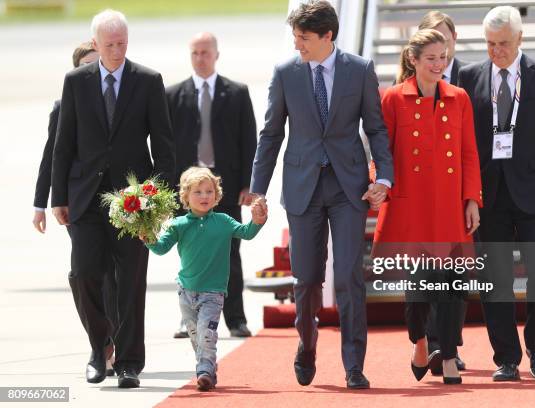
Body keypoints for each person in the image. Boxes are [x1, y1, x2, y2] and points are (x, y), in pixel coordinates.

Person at [250, 0, 394, 389]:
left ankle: (354, 365)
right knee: (307, 279)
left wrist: (385, 178)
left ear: (328, 36)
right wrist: (257, 189)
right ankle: (307, 344)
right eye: (295, 36)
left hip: (349, 187)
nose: (297, 44)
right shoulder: (285, 73)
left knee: (349, 276)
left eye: (304, 37)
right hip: (302, 188)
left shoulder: (359, 69)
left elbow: (377, 129)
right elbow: (271, 134)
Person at [51, 9, 175, 388]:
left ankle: (129, 363)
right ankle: (99, 346)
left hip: (134, 202)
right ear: (95, 45)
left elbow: (165, 145)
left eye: (122, 43)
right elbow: (64, 143)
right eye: (109, 45)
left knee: (130, 283)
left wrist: (155, 199)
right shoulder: (75, 81)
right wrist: (58, 196)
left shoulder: (148, 80)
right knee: (84, 273)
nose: (117, 51)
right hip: (86, 199)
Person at [458, 6, 535, 381]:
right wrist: (469, 195)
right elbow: (466, 142)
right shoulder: (469, 75)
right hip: (490, 193)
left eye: (504, 44)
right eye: (490, 44)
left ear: (520, 39)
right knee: (496, 276)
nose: (497, 52)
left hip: (534, 189)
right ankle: (506, 358)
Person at [373, 29, 481, 385]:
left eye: (443, 57)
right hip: (411, 205)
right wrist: (379, 183)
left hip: (449, 204)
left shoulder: (459, 97)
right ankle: (420, 342)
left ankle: (448, 355)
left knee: (452, 284)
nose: (439, 64)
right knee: (418, 288)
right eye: (431, 58)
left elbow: (468, 153)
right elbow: (381, 152)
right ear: (413, 60)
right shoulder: (392, 98)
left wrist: (471, 200)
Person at [33, 41, 118, 377]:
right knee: (84, 273)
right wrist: (43, 203)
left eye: (98, 62)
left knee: (114, 275)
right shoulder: (64, 104)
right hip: (80, 203)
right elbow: (52, 157)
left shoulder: (120, 97)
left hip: (120, 200)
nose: (94, 69)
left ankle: (115, 342)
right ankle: (100, 344)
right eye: (87, 64)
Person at [166, 32, 257, 339]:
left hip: (225, 188)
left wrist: (248, 184)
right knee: (189, 255)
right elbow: (165, 146)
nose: (200, 58)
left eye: (205, 52)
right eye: (195, 53)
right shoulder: (174, 95)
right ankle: (187, 317)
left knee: (230, 251)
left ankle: (236, 318)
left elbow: (249, 141)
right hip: (187, 190)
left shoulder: (236, 93)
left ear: (216, 54)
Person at [144, 167, 267, 391]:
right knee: (196, 335)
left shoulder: (223, 221)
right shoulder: (178, 224)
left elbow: (246, 232)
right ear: (185, 196)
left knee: (206, 333)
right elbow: (160, 248)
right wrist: (148, 236)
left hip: (213, 292)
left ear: (217, 195)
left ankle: (205, 371)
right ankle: (206, 365)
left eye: (209, 191)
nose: (204, 196)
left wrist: (258, 220)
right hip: (186, 291)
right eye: (197, 192)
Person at [417, 10, 469, 374]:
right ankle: (435, 344)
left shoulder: (469, 78)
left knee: (455, 274)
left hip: (457, 190)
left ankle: (451, 343)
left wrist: (472, 194)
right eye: (432, 38)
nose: (440, 47)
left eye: (445, 39)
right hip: (420, 197)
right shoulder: (406, 82)